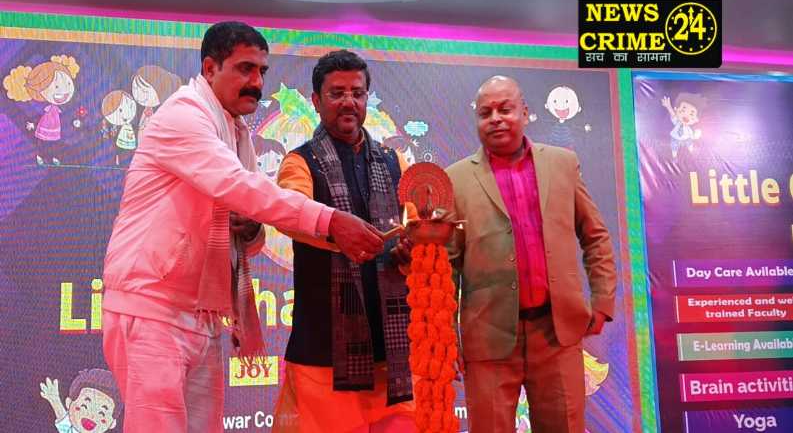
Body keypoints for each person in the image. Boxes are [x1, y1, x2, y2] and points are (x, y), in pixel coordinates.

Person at [101, 23, 384, 433]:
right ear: (210, 68)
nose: (257, 83)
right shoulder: (184, 115)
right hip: (152, 308)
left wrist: (251, 230)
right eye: (245, 69)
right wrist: (330, 220)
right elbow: (240, 186)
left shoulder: (235, 130)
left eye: (262, 71)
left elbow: (248, 227)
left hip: (202, 312)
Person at [446, 75, 615, 432]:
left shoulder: (562, 164)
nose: (496, 119)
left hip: (557, 333)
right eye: (485, 113)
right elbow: (448, 268)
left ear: (525, 112)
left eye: (505, 109)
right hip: (487, 338)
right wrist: (446, 337)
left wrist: (602, 300)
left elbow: (595, 236)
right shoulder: (455, 179)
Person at [273, 50, 415, 433]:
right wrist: (335, 226)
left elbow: (414, 227)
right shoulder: (299, 162)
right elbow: (289, 213)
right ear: (316, 101)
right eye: (337, 93)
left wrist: (411, 250)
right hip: (325, 354)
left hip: (393, 353)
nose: (349, 101)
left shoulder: (394, 162)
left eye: (357, 93)